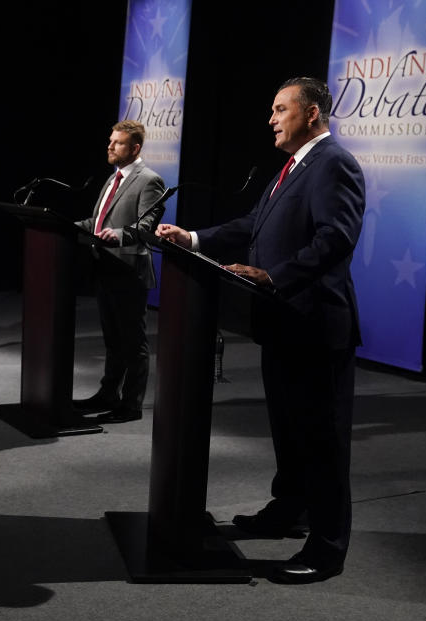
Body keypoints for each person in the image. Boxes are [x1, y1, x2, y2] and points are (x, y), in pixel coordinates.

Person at [156, 77, 365, 584]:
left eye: (279, 109)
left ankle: (328, 546)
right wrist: (195, 237)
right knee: (290, 433)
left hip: (316, 327)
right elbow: (253, 224)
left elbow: (336, 239)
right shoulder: (292, 167)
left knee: (321, 441)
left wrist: (275, 276)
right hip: (282, 323)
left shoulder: (333, 162)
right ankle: (289, 509)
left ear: (311, 113)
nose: (270, 119)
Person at [73, 120, 166, 424]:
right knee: (113, 341)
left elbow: (145, 227)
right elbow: (97, 222)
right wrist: (64, 227)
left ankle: (132, 405)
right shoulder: (113, 178)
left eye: (118, 142)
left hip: (128, 271)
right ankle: (108, 393)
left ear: (135, 148)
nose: (110, 146)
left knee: (133, 343)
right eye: (110, 140)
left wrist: (120, 234)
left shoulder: (149, 180)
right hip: (105, 268)